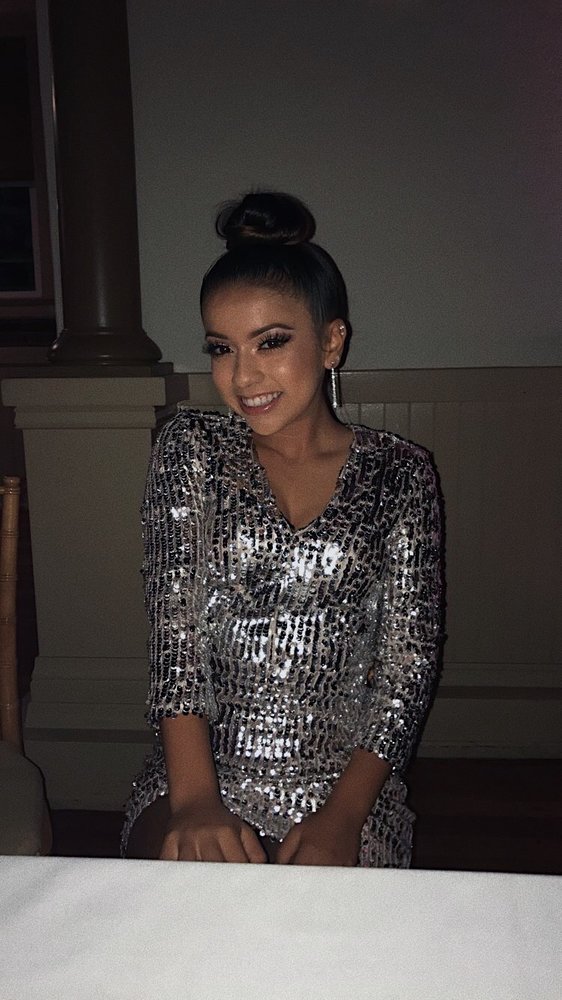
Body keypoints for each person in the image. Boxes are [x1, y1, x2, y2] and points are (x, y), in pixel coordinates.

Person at [122, 191, 443, 867]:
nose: (242, 376)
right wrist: (195, 801)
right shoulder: (192, 449)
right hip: (202, 769)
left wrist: (345, 816)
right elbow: (174, 639)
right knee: (186, 906)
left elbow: (406, 669)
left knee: (319, 928)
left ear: (331, 341)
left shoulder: (401, 473)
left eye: (270, 342)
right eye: (221, 348)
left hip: (348, 787)